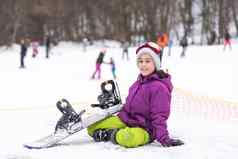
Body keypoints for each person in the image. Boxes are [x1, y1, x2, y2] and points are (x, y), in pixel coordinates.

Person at [87, 42, 184, 148]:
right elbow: (129, 106)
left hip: (145, 128)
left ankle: (110, 134)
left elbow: (159, 116)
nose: (143, 64)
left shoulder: (159, 88)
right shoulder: (137, 83)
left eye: (148, 61)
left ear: (155, 63)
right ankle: (116, 131)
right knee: (92, 126)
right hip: (126, 120)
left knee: (128, 137)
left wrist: (164, 138)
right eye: (140, 61)